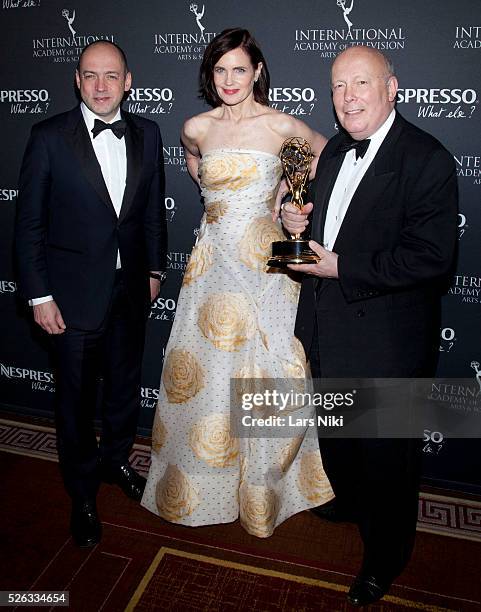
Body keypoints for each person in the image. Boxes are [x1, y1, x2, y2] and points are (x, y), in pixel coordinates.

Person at [281, 46, 458, 606]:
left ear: (392, 88)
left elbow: (431, 257)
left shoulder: (427, 158)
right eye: (338, 87)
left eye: (361, 83)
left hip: (387, 341)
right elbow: (324, 225)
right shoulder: (333, 148)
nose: (348, 97)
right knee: (339, 437)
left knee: (388, 460)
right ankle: (348, 500)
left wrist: (343, 267)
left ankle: (386, 557)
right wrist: (294, 218)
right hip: (327, 327)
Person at [141, 28, 333, 537]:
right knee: (208, 374)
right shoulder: (196, 128)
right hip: (210, 267)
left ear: (257, 72)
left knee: (268, 373)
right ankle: (204, 487)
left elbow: (322, 155)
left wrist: (284, 206)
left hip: (265, 268)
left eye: (239, 70)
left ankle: (265, 491)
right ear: (211, 75)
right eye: (220, 70)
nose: (229, 80)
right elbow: (199, 172)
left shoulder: (282, 126)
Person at [15, 41, 167, 547]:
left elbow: (150, 215)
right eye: (90, 76)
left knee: (124, 389)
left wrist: (153, 270)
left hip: (130, 293)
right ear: (76, 81)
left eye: (111, 76)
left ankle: (116, 460)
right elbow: (28, 226)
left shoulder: (148, 132)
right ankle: (81, 494)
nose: (101, 86)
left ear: (129, 80)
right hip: (72, 296)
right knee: (76, 403)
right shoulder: (48, 137)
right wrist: (39, 296)